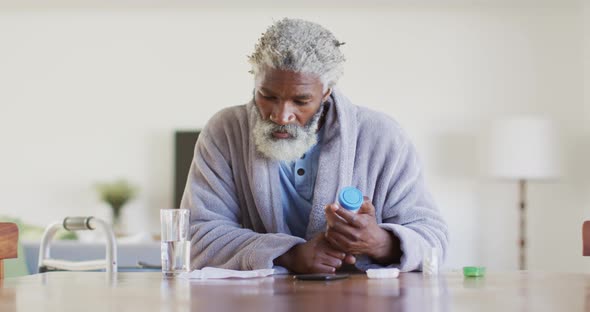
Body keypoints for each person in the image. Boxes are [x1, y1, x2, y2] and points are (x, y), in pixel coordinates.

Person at [180, 18, 448, 273]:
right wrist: (290, 254)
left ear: (326, 93)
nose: (281, 115)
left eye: (301, 101)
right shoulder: (224, 131)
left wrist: (380, 242)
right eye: (268, 95)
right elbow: (195, 237)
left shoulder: (383, 136)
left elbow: (434, 240)